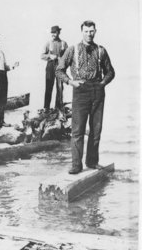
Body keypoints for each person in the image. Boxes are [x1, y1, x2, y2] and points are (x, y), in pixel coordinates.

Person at [56, 20, 115, 174]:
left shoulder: (101, 50)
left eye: (92, 31)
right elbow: (59, 70)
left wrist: (102, 83)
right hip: (80, 90)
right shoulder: (72, 50)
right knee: (77, 130)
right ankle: (76, 165)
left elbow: (110, 72)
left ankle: (92, 162)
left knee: (96, 129)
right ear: (81, 32)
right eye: (86, 31)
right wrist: (70, 82)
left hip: (97, 91)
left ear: (95, 32)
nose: (89, 34)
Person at [41, 25, 68, 111]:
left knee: (60, 87)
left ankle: (58, 107)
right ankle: (46, 107)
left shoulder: (64, 43)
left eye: (55, 32)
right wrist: (50, 56)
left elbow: (68, 56)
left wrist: (62, 61)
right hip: (50, 66)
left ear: (58, 32)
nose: (53, 34)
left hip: (60, 67)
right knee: (49, 86)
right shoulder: (48, 43)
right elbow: (42, 55)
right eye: (52, 33)